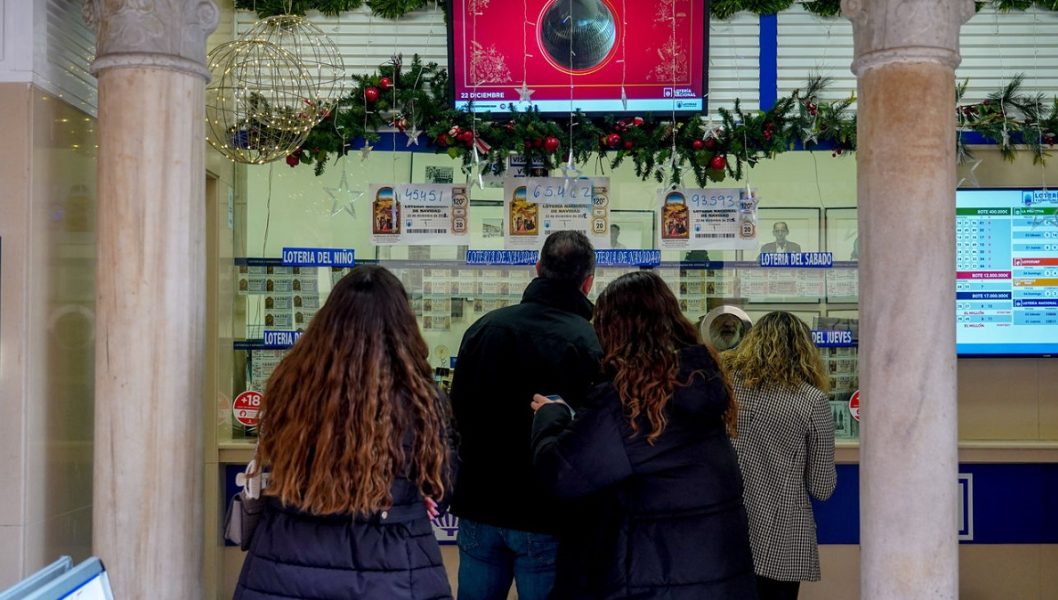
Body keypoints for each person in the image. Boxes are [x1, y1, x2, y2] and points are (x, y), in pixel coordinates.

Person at [530, 271, 758, 599]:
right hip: (715, 581)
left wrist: (551, 416)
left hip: (652, 583)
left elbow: (560, 473)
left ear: (615, 331)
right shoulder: (698, 386)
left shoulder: (626, 403)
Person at [233, 265, 453, 600]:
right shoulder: (421, 400)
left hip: (286, 561)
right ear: (403, 326)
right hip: (392, 566)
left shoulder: (291, 387)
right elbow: (443, 486)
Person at [450, 230, 602, 600]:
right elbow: (591, 437)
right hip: (545, 513)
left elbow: (457, 412)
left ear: (537, 269)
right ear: (588, 282)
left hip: (480, 503)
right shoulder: (589, 341)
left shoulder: (484, 328)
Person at [721, 311, 837, 600]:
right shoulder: (812, 401)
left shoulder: (726, 387)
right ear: (805, 351)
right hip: (782, 540)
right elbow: (822, 488)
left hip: (725, 533)